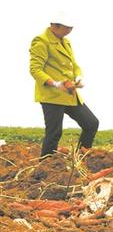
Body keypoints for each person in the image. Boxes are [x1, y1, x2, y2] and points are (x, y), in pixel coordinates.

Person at [29, 13, 99, 157]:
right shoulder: (41, 41)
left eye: (71, 28)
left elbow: (74, 65)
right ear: (54, 26)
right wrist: (55, 83)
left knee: (91, 123)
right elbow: (35, 70)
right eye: (67, 28)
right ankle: (46, 165)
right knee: (54, 132)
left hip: (69, 94)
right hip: (52, 95)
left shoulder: (65, 41)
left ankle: (79, 159)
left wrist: (78, 77)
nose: (69, 31)